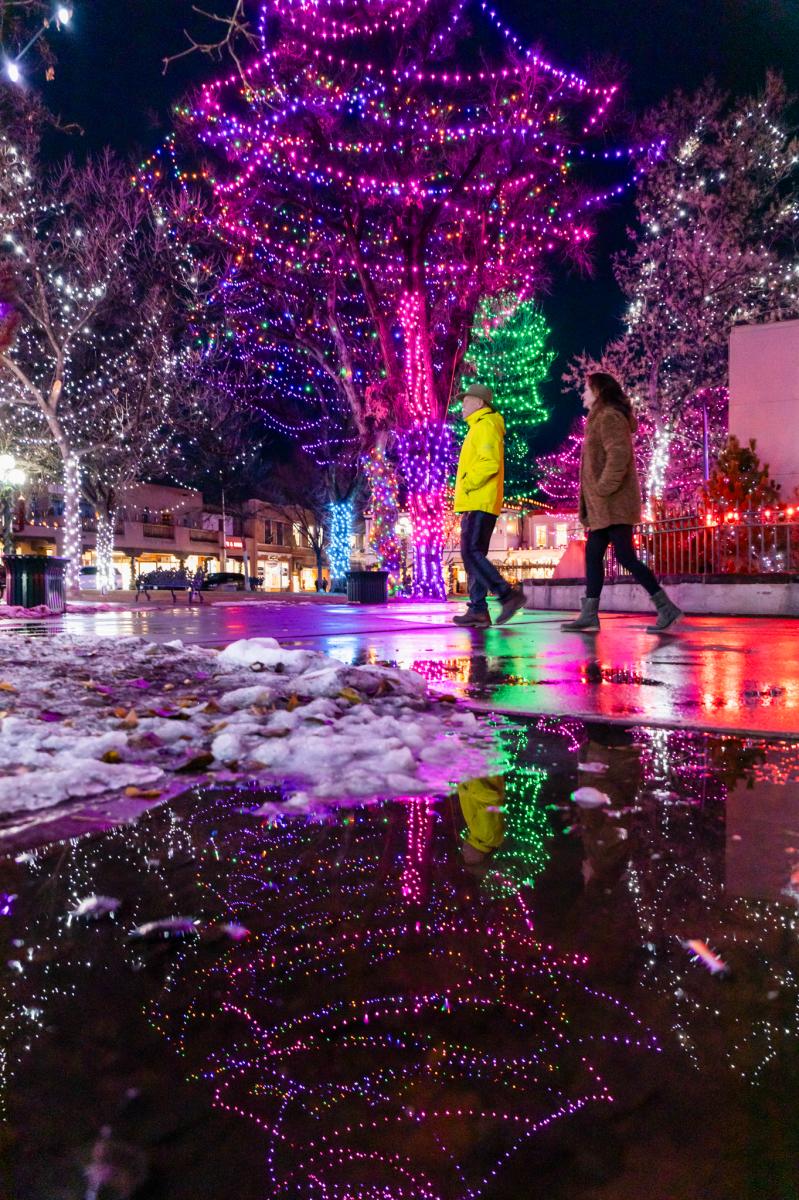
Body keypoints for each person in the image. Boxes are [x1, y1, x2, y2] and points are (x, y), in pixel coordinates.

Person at [561, 372, 682, 633]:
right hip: (604, 506)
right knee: (594, 554)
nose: (583, 394)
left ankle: (665, 607)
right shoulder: (599, 418)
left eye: (586, 389)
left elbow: (618, 455)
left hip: (613, 504)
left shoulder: (608, 417)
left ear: (598, 391)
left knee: (625, 555)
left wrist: (603, 488)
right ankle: (590, 614)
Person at [452, 382, 525, 628]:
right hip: (479, 499)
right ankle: (478, 609)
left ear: (480, 403)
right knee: (475, 554)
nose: (461, 406)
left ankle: (507, 594)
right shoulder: (481, 426)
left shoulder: (485, 426)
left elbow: (489, 463)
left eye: (466, 401)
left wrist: (466, 482)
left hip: (479, 499)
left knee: (470, 553)